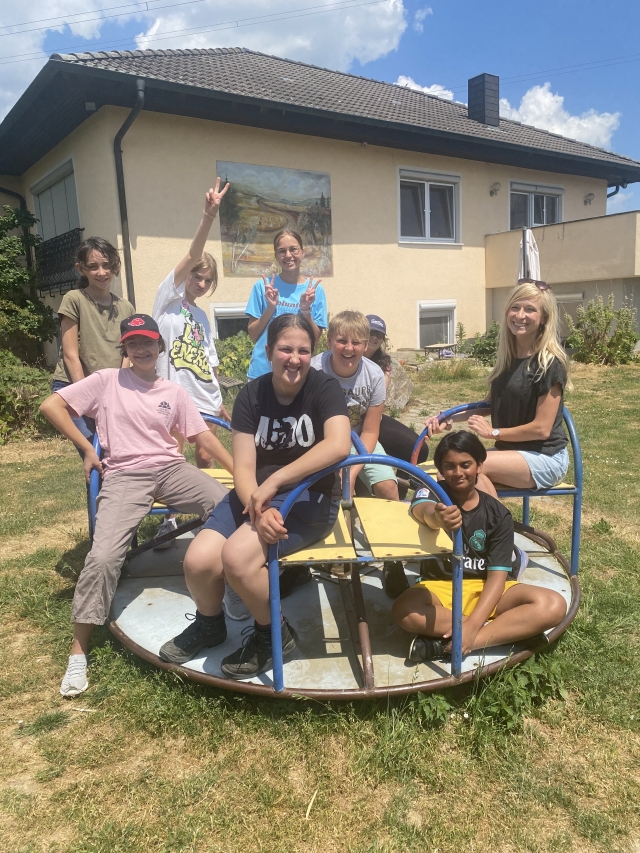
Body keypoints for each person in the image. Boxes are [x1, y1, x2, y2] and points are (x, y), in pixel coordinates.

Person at [40, 314, 233, 698]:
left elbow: (203, 439)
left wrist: (241, 477)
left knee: (227, 505)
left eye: (148, 341)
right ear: (125, 349)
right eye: (133, 343)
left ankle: (226, 594)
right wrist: (87, 449)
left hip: (172, 469)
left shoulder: (174, 392)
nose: (141, 348)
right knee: (103, 557)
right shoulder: (107, 380)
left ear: (160, 346)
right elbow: (51, 406)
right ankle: (79, 650)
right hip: (125, 475)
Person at [159, 313, 351, 679]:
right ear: (269, 350)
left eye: (303, 351)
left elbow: (339, 445)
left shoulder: (324, 388)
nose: (294, 358)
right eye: (285, 349)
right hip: (255, 495)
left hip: (308, 499)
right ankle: (210, 624)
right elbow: (244, 468)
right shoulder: (252, 394)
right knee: (198, 561)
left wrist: (276, 479)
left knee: (236, 558)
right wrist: (258, 508)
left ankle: (273, 633)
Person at [392, 431, 567, 661]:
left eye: (466, 465)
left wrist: (473, 626)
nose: (458, 473)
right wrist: (437, 518)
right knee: (405, 610)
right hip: (440, 587)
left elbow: (497, 577)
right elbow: (421, 509)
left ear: (479, 466)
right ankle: (506, 632)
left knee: (554, 604)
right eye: (450, 466)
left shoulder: (498, 514)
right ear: (440, 469)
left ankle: (453, 644)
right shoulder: (432, 493)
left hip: (487, 589)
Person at [424, 281, 571, 493]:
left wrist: (494, 432)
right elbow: (488, 405)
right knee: (451, 472)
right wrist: (446, 418)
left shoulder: (549, 363)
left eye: (530, 309)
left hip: (545, 457)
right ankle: (488, 515)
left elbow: (542, 429)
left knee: (462, 470)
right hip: (511, 452)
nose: (520, 315)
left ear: (544, 318)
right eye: (515, 307)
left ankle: (490, 516)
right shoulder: (508, 360)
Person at [151, 178, 233, 555]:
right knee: (173, 457)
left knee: (205, 458)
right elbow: (191, 254)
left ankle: (207, 516)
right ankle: (168, 519)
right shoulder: (167, 301)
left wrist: (219, 400)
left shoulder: (202, 316)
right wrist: (208, 217)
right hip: (173, 396)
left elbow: (209, 362)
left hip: (205, 398)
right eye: (197, 276)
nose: (200, 282)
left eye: (207, 279)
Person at [51, 237, 134, 453]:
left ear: (114, 266)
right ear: (81, 269)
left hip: (109, 389)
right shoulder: (74, 299)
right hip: (73, 386)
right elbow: (70, 354)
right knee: (94, 453)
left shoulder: (126, 308)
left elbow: (127, 353)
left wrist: (120, 390)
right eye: (93, 266)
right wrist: (86, 397)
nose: (101, 272)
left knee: (115, 454)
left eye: (107, 265)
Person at [311, 310, 399, 501]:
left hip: (358, 439)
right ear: (329, 341)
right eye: (342, 341)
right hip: (321, 439)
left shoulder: (374, 375)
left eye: (356, 342)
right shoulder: (314, 370)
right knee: (329, 493)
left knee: (388, 488)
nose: (349, 348)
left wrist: (351, 473)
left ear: (366, 345)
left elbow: (370, 431)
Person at [245, 229, 327, 380]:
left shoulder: (314, 291)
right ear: (276, 256)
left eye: (293, 249)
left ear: (302, 252)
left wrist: (306, 310)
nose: (288, 255)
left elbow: (315, 339)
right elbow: (253, 335)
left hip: (295, 372)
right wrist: (270, 307)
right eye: (282, 251)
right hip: (261, 372)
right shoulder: (263, 287)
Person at [365, 313, 428, 466]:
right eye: (371, 332)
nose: (374, 337)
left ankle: (403, 480)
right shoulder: (347, 356)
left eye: (379, 335)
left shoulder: (383, 363)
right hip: (346, 421)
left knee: (419, 449)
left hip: (372, 417)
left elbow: (379, 396)